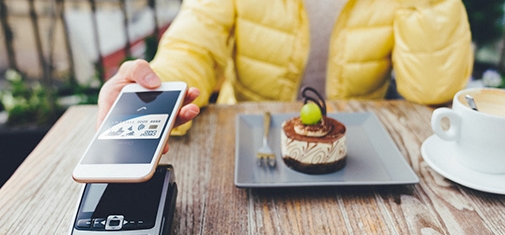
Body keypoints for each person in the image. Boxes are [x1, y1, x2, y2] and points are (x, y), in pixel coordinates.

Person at [97, 0, 474, 134]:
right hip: (249, 137)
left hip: (356, 144)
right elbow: (193, 44)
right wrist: (155, 96)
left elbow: (433, 89)